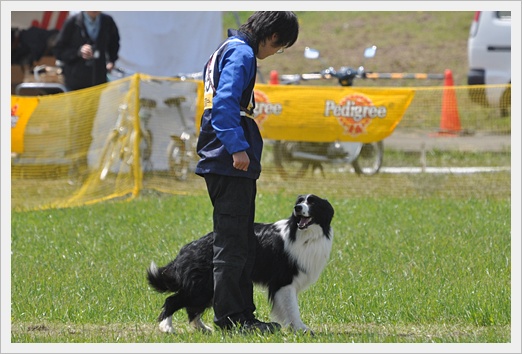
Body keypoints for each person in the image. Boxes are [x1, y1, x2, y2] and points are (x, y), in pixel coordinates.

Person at [195, 11, 299, 333]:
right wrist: (237, 147)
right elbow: (224, 103)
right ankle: (231, 319)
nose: (274, 53)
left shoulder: (225, 48)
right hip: (228, 157)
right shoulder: (242, 53)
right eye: (279, 47)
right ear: (272, 37)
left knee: (242, 239)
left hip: (218, 153)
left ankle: (242, 315)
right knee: (234, 242)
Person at [53, 11, 120, 183]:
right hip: (75, 83)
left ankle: (82, 166)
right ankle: (74, 168)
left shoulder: (106, 21)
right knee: (76, 126)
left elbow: (114, 43)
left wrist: (111, 60)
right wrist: (77, 52)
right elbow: (59, 50)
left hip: (95, 82)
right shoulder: (72, 22)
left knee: (87, 126)